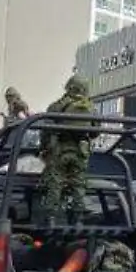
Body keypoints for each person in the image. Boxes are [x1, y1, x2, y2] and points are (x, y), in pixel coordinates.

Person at [40, 75, 96, 226]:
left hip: (60, 150)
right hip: (80, 152)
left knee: (56, 183)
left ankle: (51, 218)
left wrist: (43, 149)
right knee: (78, 185)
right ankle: (78, 219)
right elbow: (96, 131)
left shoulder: (56, 106)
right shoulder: (90, 107)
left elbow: (45, 131)